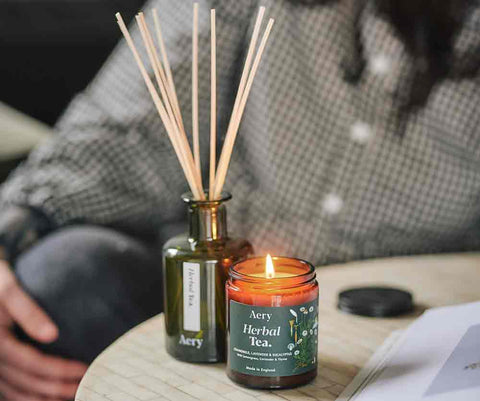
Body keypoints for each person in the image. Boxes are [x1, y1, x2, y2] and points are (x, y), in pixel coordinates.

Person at [1, 0, 479, 399]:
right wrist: (8, 231)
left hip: (420, 308)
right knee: (64, 274)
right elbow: (122, 132)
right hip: (210, 299)